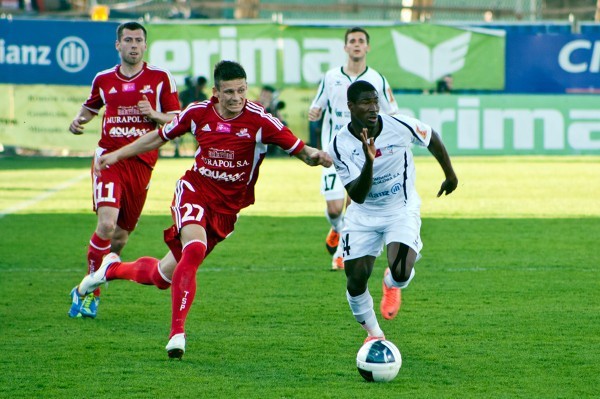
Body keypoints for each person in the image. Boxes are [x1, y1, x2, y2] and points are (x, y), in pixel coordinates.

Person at [68, 60, 332, 360]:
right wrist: (117, 154)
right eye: (229, 92)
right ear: (216, 93)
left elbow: (300, 149)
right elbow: (158, 136)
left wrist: (316, 155)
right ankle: (176, 334)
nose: (236, 97)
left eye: (242, 90)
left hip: (226, 211)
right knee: (194, 248)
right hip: (194, 191)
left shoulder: (260, 120)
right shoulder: (197, 113)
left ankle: (109, 269)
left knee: (159, 277)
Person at [329, 80, 458, 344]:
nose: (373, 107)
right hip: (363, 214)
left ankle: (391, 284)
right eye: (365, 102)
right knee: (355, 280)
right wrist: (369, 160)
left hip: (400, 209)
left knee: (400, 271)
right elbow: (358, 195)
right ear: (351, 106)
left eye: (375, 100)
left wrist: (450, 174)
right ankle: (375, 335)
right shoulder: (339, 144)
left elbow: (430, 136)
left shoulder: (399, 125)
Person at [67, 21, 180, 319]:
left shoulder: (160, 78)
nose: (133, 45)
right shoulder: (103, 79)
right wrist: (80, 120)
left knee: (119, 239)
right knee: (106, 226)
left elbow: (177, 119)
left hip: (142, 163)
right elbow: (91, 106)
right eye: (127, 40)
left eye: (138, 40)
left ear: (145, 45)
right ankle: (91, 295)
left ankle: (86, 284)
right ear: (117, 45)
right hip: (109, 159)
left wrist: (153, 114)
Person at [308, 27, 399, 271]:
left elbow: (392, 112)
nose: (357, 45)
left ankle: (340, 253)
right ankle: (337, 229)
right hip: (333, 150)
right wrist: (314, 112)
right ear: (345, 47)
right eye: (352, 41)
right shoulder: (330, 77)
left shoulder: (377, 79)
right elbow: (317, 106)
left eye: (361, 41)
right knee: (334, 208)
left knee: (353, 204)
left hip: (362, 153)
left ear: (367, 47)